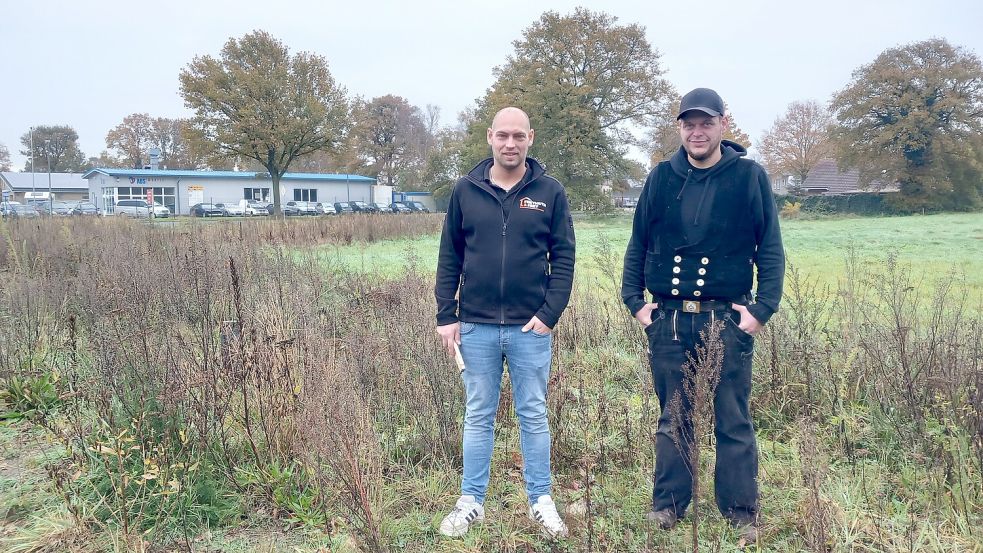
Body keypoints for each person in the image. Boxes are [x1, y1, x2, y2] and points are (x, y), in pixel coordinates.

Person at [621, 88, 785, 544]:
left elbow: (770, 248)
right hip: (670, 320)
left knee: (732, 417)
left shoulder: (749, 177)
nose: (697, 131)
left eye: (706, 123)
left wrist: (761, 310)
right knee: (674, 416)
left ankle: (740, 511)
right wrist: (635, 302)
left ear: (722, 125)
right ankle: (669, 504)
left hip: (726, 320)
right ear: (680, 128)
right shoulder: (660, 177)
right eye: (689, 123)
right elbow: (638, 243)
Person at [434, 107, 575, 538]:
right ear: (490, 138)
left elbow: (565, 257)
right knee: (478, 414)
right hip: (474, 326)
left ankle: (541, 500)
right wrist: (446, 315)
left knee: (532, 413)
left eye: (518, 136)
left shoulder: (549, 192)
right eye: (503, 136)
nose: (510, 144)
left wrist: (548, 315)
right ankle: (471, 500)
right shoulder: (465, 190)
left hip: (529, 328)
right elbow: (449, 256)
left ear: (530, 137)